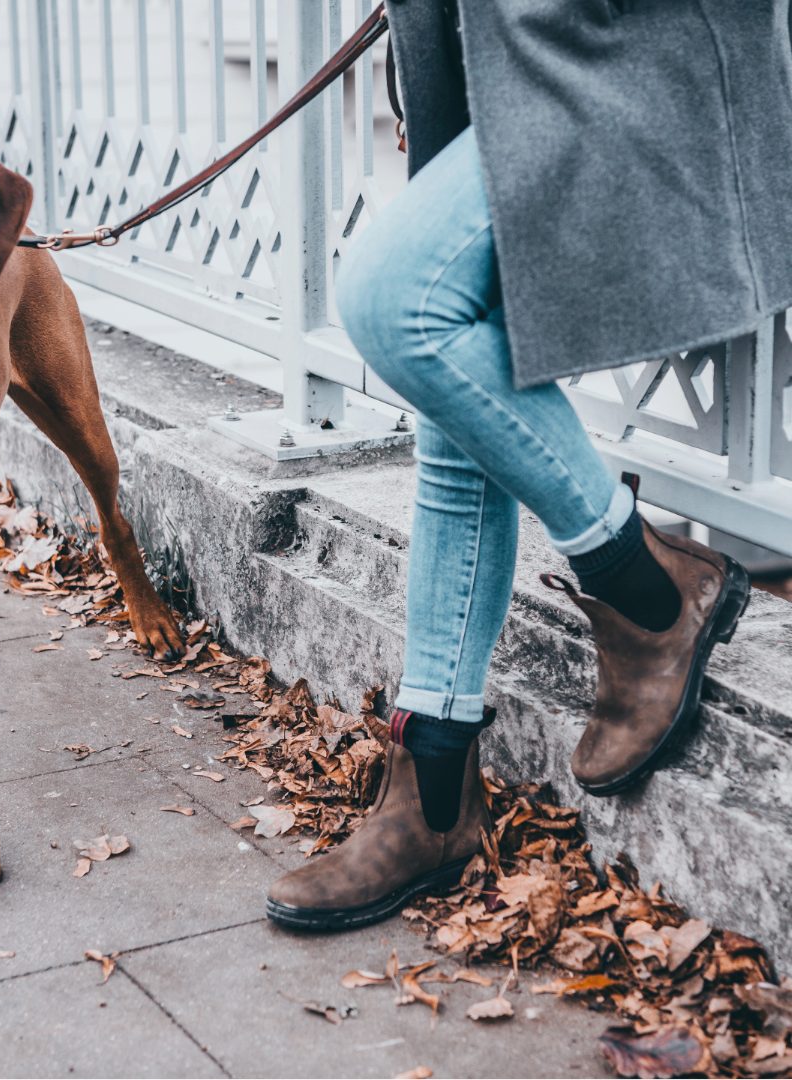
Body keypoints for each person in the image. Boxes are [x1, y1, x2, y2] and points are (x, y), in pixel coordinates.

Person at [265, 0, 788, 931]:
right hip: (509, 63)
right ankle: (432, 786)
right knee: (462, 379)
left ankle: (644, 585)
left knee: (395, 301)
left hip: (620, 49)